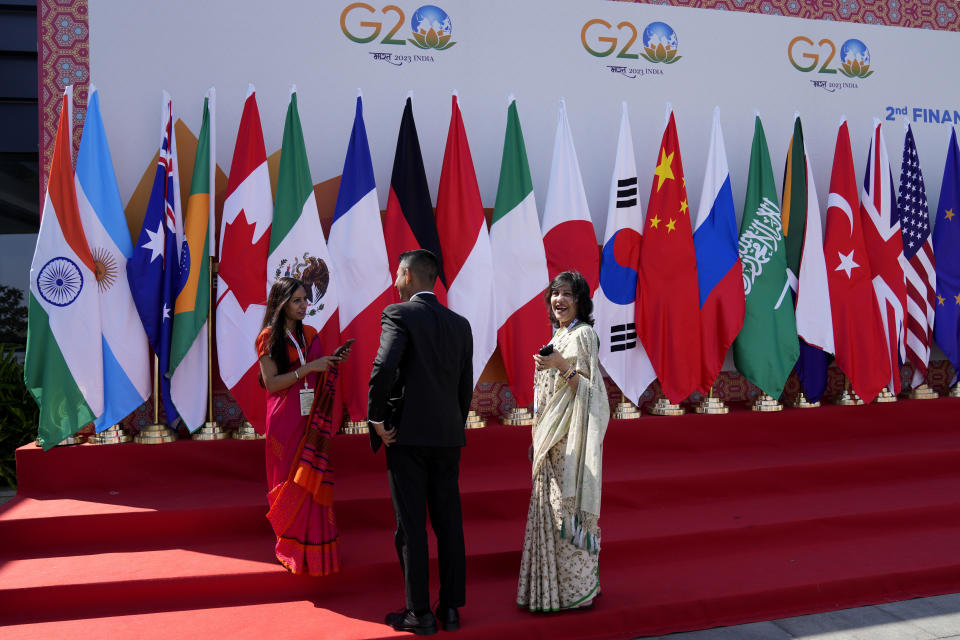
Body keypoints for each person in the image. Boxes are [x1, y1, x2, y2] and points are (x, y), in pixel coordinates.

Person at [368, 249, 474, 636]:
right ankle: (449, 609)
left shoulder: (399, 313)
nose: (395, 279)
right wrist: (451, 425)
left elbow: (384, 367)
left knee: (411, 525)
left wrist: (377, 419)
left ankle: (418, 613)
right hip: (447, 436)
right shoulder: (460, 323)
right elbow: (465, 385)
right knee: (449, 523)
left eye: (398, 273)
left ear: (408, 276)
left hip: (406, 435)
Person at [517, 270, 611, 612]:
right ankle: (550, 590)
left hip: (572, 442)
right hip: (549, 440)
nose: (560, 300)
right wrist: (536, 433)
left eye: (568, 294)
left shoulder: (583, 335)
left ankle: (577, 590)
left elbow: (593, 393)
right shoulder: (558, 335)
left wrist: (559, 366)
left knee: (565, 512)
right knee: (549, 511)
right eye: (555, 293)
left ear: (581, 301)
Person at [256, 276, 352, 576]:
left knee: (312, 478)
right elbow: (272, 384)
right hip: (284, 420)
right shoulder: (268, 337)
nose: (303, 305)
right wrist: (309, 367)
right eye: (297, 300)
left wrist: (330, 363)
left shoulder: (310, 334)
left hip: (311, 417)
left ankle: (315, 547)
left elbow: (318, 375)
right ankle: (289, 546)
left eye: (305, 300)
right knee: (287, 480)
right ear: (282, 303)